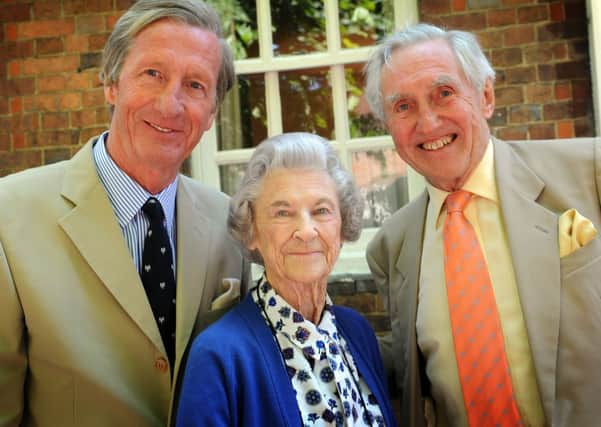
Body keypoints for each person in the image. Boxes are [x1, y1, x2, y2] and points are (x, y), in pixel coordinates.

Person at [0, 0, 250, 425]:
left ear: (211, 113)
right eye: (152, 74)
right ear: (111, 84)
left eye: (195, 85)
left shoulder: (232, 223)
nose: (170, 104)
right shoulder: (9, 214)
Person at [364, 23, 601, 427]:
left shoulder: (590, 173)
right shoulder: (391, 247)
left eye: (444, 93)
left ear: (486, 96)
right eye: (403, 106)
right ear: (388, 125)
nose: (428, 122)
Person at [175, 132, 397, 427]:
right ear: (251, 231)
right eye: (283, 212)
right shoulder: (220, 356)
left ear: (343, 226)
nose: (306, 231)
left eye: (321, 210)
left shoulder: (357, 332)